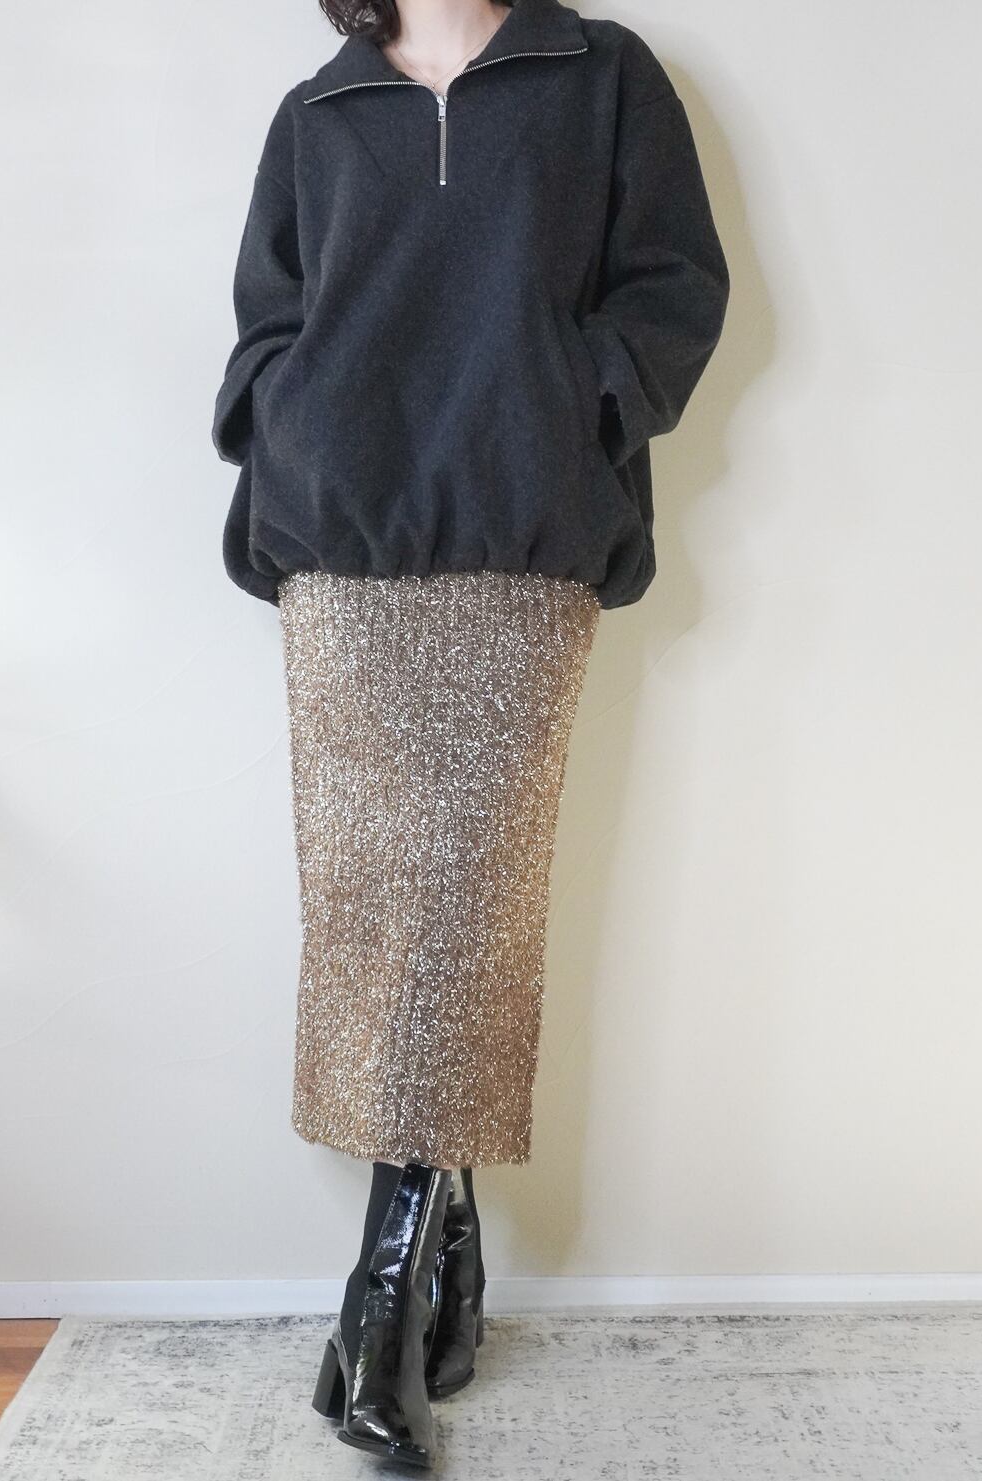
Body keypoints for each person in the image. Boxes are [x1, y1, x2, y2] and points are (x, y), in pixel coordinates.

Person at [211, 0, 728, 1466]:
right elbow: (265, 321)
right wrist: (297, 417)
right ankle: (444, 1261)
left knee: (469, 905)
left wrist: (573, 404)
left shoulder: (598, 73)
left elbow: (676, 283)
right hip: (345, 564)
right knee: (378, 907)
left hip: (521, 543)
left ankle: (376, 1305)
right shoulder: (319, 112)